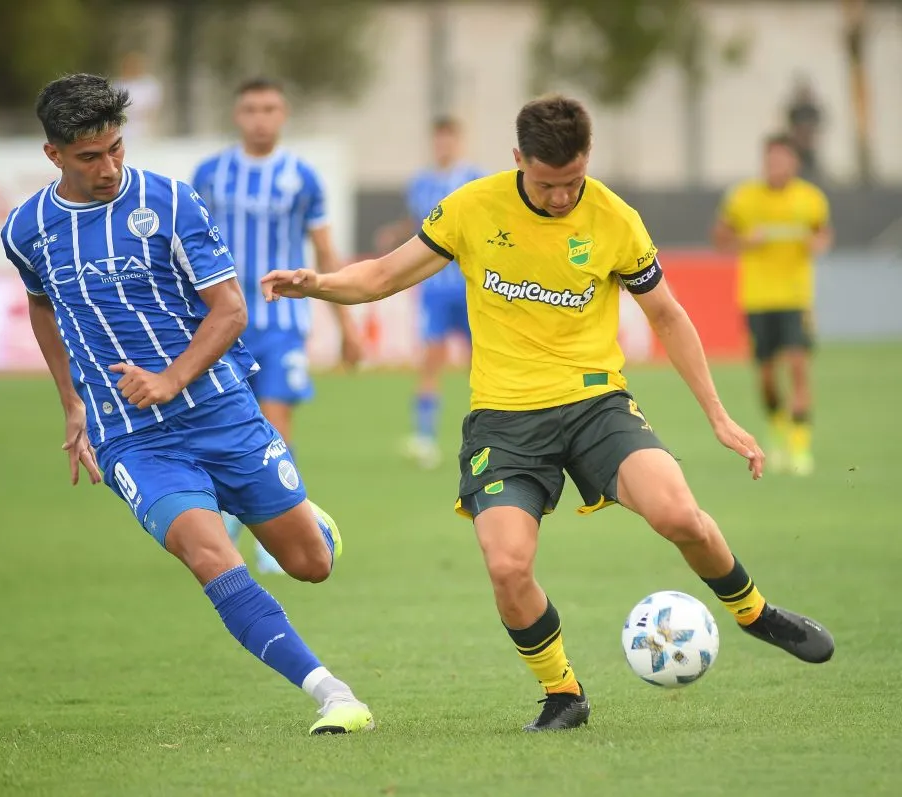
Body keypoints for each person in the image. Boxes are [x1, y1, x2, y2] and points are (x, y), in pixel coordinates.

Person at [262, 95, 834, 732]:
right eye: (547, 183)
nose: (563, 197)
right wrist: (317, 284)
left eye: (573, 182)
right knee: (507, 566)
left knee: (680, 515)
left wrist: (719, 416)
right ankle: (564, 692)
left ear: (587, 162)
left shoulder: (615, 218)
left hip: (596, 405)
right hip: (504, 422)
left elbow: (668, 316)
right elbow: (382, 277)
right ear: (517, 161)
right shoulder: (473, 208)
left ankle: (756, 613)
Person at [0, 73, 373, 736]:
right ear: (53, 154)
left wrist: (171, 377)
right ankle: (331, 691)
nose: (109, 166)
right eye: (90, 157)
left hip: (220, 410)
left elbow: (229, 311)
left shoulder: (170, 202)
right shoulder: (27, 229)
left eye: (116, 149)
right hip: (133, 439)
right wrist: (72, 403)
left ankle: (295, 514)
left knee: (309, 564)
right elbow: (40, 304)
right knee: (209, 555)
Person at [191, 77, 363, 574]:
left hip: (282, 321)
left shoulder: (301, 178)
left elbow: (325, 252)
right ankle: (224, 524)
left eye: (269, 109)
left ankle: (275, 534)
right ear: (236, 115)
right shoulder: (211, 175)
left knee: (275, 424)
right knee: (221, 422)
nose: (260, 118)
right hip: (220, 320)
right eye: (250, 109)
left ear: (283, 114)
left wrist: (347, 327)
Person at [712, 134, 832, 476]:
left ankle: (800, 446)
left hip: (796, 298)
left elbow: (823, 233)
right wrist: (742, 240)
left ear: (794, 163)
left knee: (798, 366)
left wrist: (817, 243)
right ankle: (777, 433)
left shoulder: (810, 199)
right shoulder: (743, 199)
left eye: (782, 160)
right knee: (766, 376)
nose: (776, 167)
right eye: (771, 160)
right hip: (757, 298)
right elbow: (720, 238)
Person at [376, 116, 484, 469]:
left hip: (471, 290)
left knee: (482, 367)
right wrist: (395, 234)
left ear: (459, 142)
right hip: (435, 292)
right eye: (438, 140)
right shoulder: (420, 183)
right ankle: (425, 439)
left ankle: (487, 437)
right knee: (430, 363)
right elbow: (419, 224)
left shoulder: (475, 180)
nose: (443, 146)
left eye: (449, 140)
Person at [113, 51, 162, 143]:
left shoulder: (149, 84)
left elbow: (153, 109)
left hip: (145, 127)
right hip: (125, 127)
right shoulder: (118, 85)